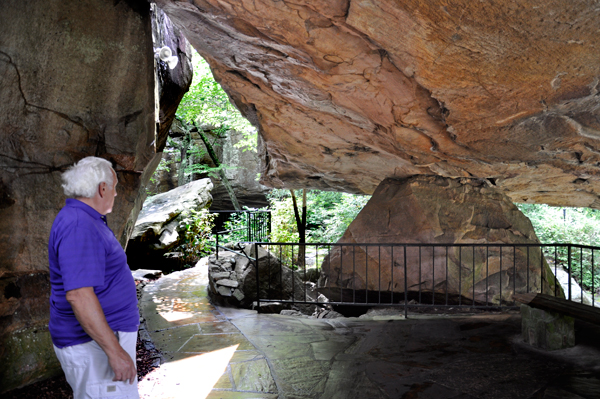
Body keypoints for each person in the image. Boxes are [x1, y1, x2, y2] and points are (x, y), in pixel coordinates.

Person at [48, 156, 140, 399]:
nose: (117, 194)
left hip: (98, 342)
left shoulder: (85, 219)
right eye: (115, 187)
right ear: (102, 188)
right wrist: (115, 352)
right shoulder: (79, 225)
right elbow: (79, 295)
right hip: (93, 346)